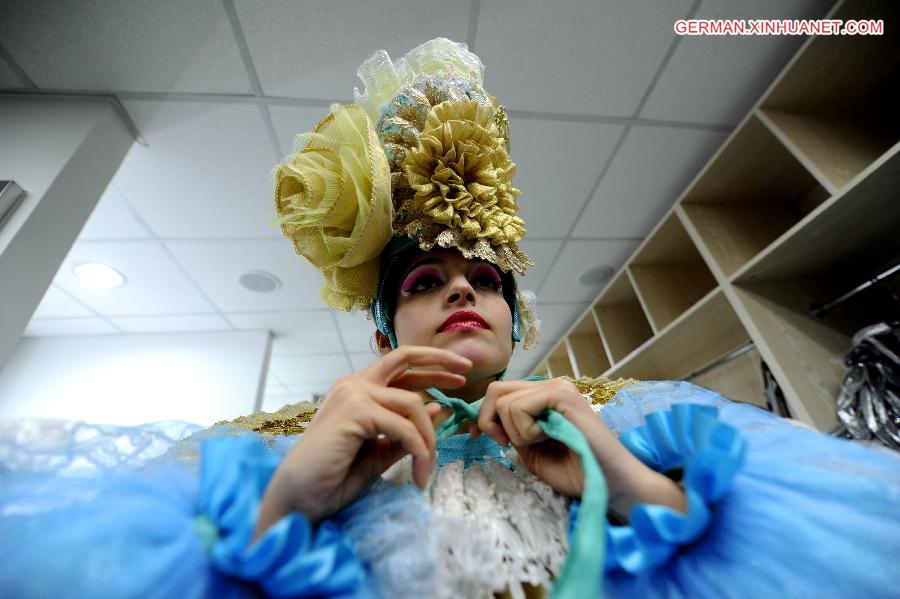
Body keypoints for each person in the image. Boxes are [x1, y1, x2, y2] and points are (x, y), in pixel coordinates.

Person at [2, 38, 900, 599]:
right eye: (427, 277)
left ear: (516, 312)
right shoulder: (278, 444)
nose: (466, 291)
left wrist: (627, 481)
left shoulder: (625, 415)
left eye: (488, 278)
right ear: (383, 332)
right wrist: (285, 501)